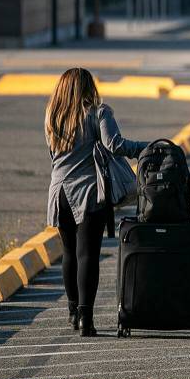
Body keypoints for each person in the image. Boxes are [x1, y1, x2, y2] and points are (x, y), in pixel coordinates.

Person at [44, 68, 148, 336]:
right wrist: (146, 148)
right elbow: (114, 145)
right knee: (87, 255)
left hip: (58, 194)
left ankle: (71, 312)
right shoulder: (99, 113)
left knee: (69, 254)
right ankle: (85, 320)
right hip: (89, 192)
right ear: (89, 87)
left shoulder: (53, 117)